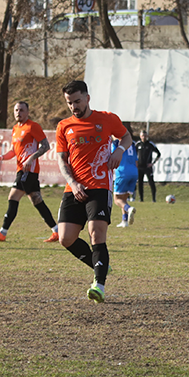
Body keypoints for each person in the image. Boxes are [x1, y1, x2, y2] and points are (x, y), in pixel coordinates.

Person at [55, 80, 134, 302]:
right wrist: (73, 183)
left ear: (87, 98)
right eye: (69, 103)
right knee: (65, 238)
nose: (74, 106)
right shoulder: (64, 126)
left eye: (77, 101)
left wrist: (119, 150)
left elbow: (126, 136)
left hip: (100, 186)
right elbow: (62, 160)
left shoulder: (107, 119)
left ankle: (98, 285)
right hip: (74, 188)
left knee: (96, 233)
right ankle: (100, 264)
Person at [0, 101, 60, 243]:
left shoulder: (33, 126)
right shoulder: (15, 129)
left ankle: (2, 232)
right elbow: (14, 151)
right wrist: (1, 157)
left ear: (27, 112)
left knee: (13, 197)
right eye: (16, 110)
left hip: (28, 170)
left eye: (21, 110)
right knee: (37, 200)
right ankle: (56, 231)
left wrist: (31, 158)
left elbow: (45, 146)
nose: (18, 112)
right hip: (22, 170)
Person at [112, 138, 138, 228]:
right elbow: (136, 161)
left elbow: (112, 156)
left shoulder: (116, 143)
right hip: (134, 172)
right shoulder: (132, 143)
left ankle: (129, 208)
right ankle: (125, 221)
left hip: (122, 172)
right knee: (123, 198)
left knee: (117, 199)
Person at [136, 130, 162, 203]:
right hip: (140, 167)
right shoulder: (138, 144)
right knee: (140, 183)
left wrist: (152, 163)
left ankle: (154, 199)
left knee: (151, 182)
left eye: (145, 136)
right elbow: (134, 154)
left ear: (147, 136)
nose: (144, 137)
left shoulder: (150, 144)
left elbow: (158, 154)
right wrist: (135, 162)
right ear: (140, 136)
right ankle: (141, 199)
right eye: (142, 136)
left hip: (147, 167)